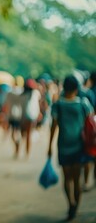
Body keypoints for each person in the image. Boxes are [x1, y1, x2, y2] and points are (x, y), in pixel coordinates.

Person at [48, 75, 93, 221]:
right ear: (76, 88)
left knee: (67, 178)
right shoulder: (83, 104)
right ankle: (76, 206)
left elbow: (53, 126)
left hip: (63, 145)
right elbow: (92, 122)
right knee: (77, 179)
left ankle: (71, 204)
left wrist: (49, 145)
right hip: (80, 146)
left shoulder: (58, 105)